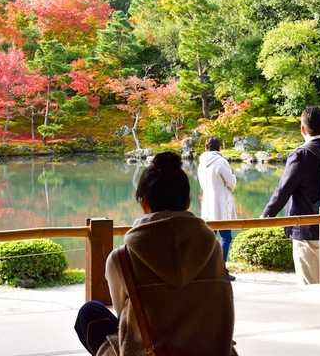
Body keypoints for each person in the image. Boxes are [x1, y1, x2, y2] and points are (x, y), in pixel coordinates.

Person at [74, 152, 235, 356]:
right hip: (208, 351)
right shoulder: (213, 249)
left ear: (144, 204)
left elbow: (124, 316)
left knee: (89, 312)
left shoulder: (121, 258)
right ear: (187, 203)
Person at [260, 106, 320, 285]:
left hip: (307, 229)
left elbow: (283, 190)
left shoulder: (301, 154)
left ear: (303, 129)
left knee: (310, 286)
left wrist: (267, 215)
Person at [197, 137, 238, 279]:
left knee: (210, 238)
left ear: (206, 148)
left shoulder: (201, 163)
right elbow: (231, 182)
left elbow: (202, 185)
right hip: (221, 204)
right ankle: (221, 270)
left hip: (207, 204)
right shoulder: (221, 162)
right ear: (219, 148)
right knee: (226, 237)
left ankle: (207, 269)